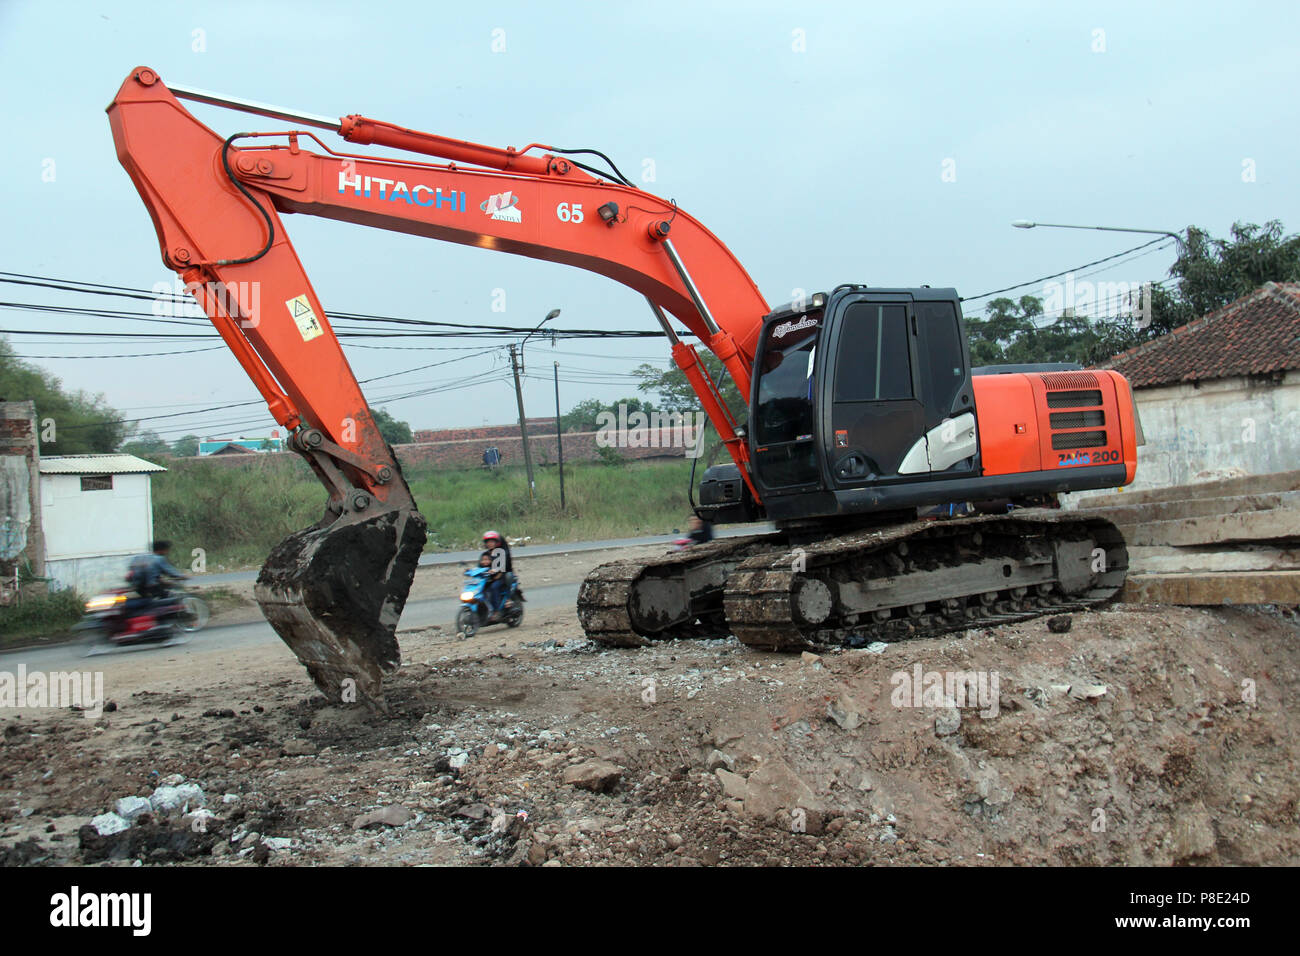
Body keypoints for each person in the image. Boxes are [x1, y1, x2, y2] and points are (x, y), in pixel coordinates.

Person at [479, 530, 514, 617]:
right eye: (488, 542)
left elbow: (504, 566)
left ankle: (497, 611)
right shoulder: (486, 554)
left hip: (502, 576)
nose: (490, 544)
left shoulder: (502, 553)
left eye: (492, 542)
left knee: (494, 587)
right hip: (490, 577)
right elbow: (480, 565)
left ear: (497, 542)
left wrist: (498, 573)